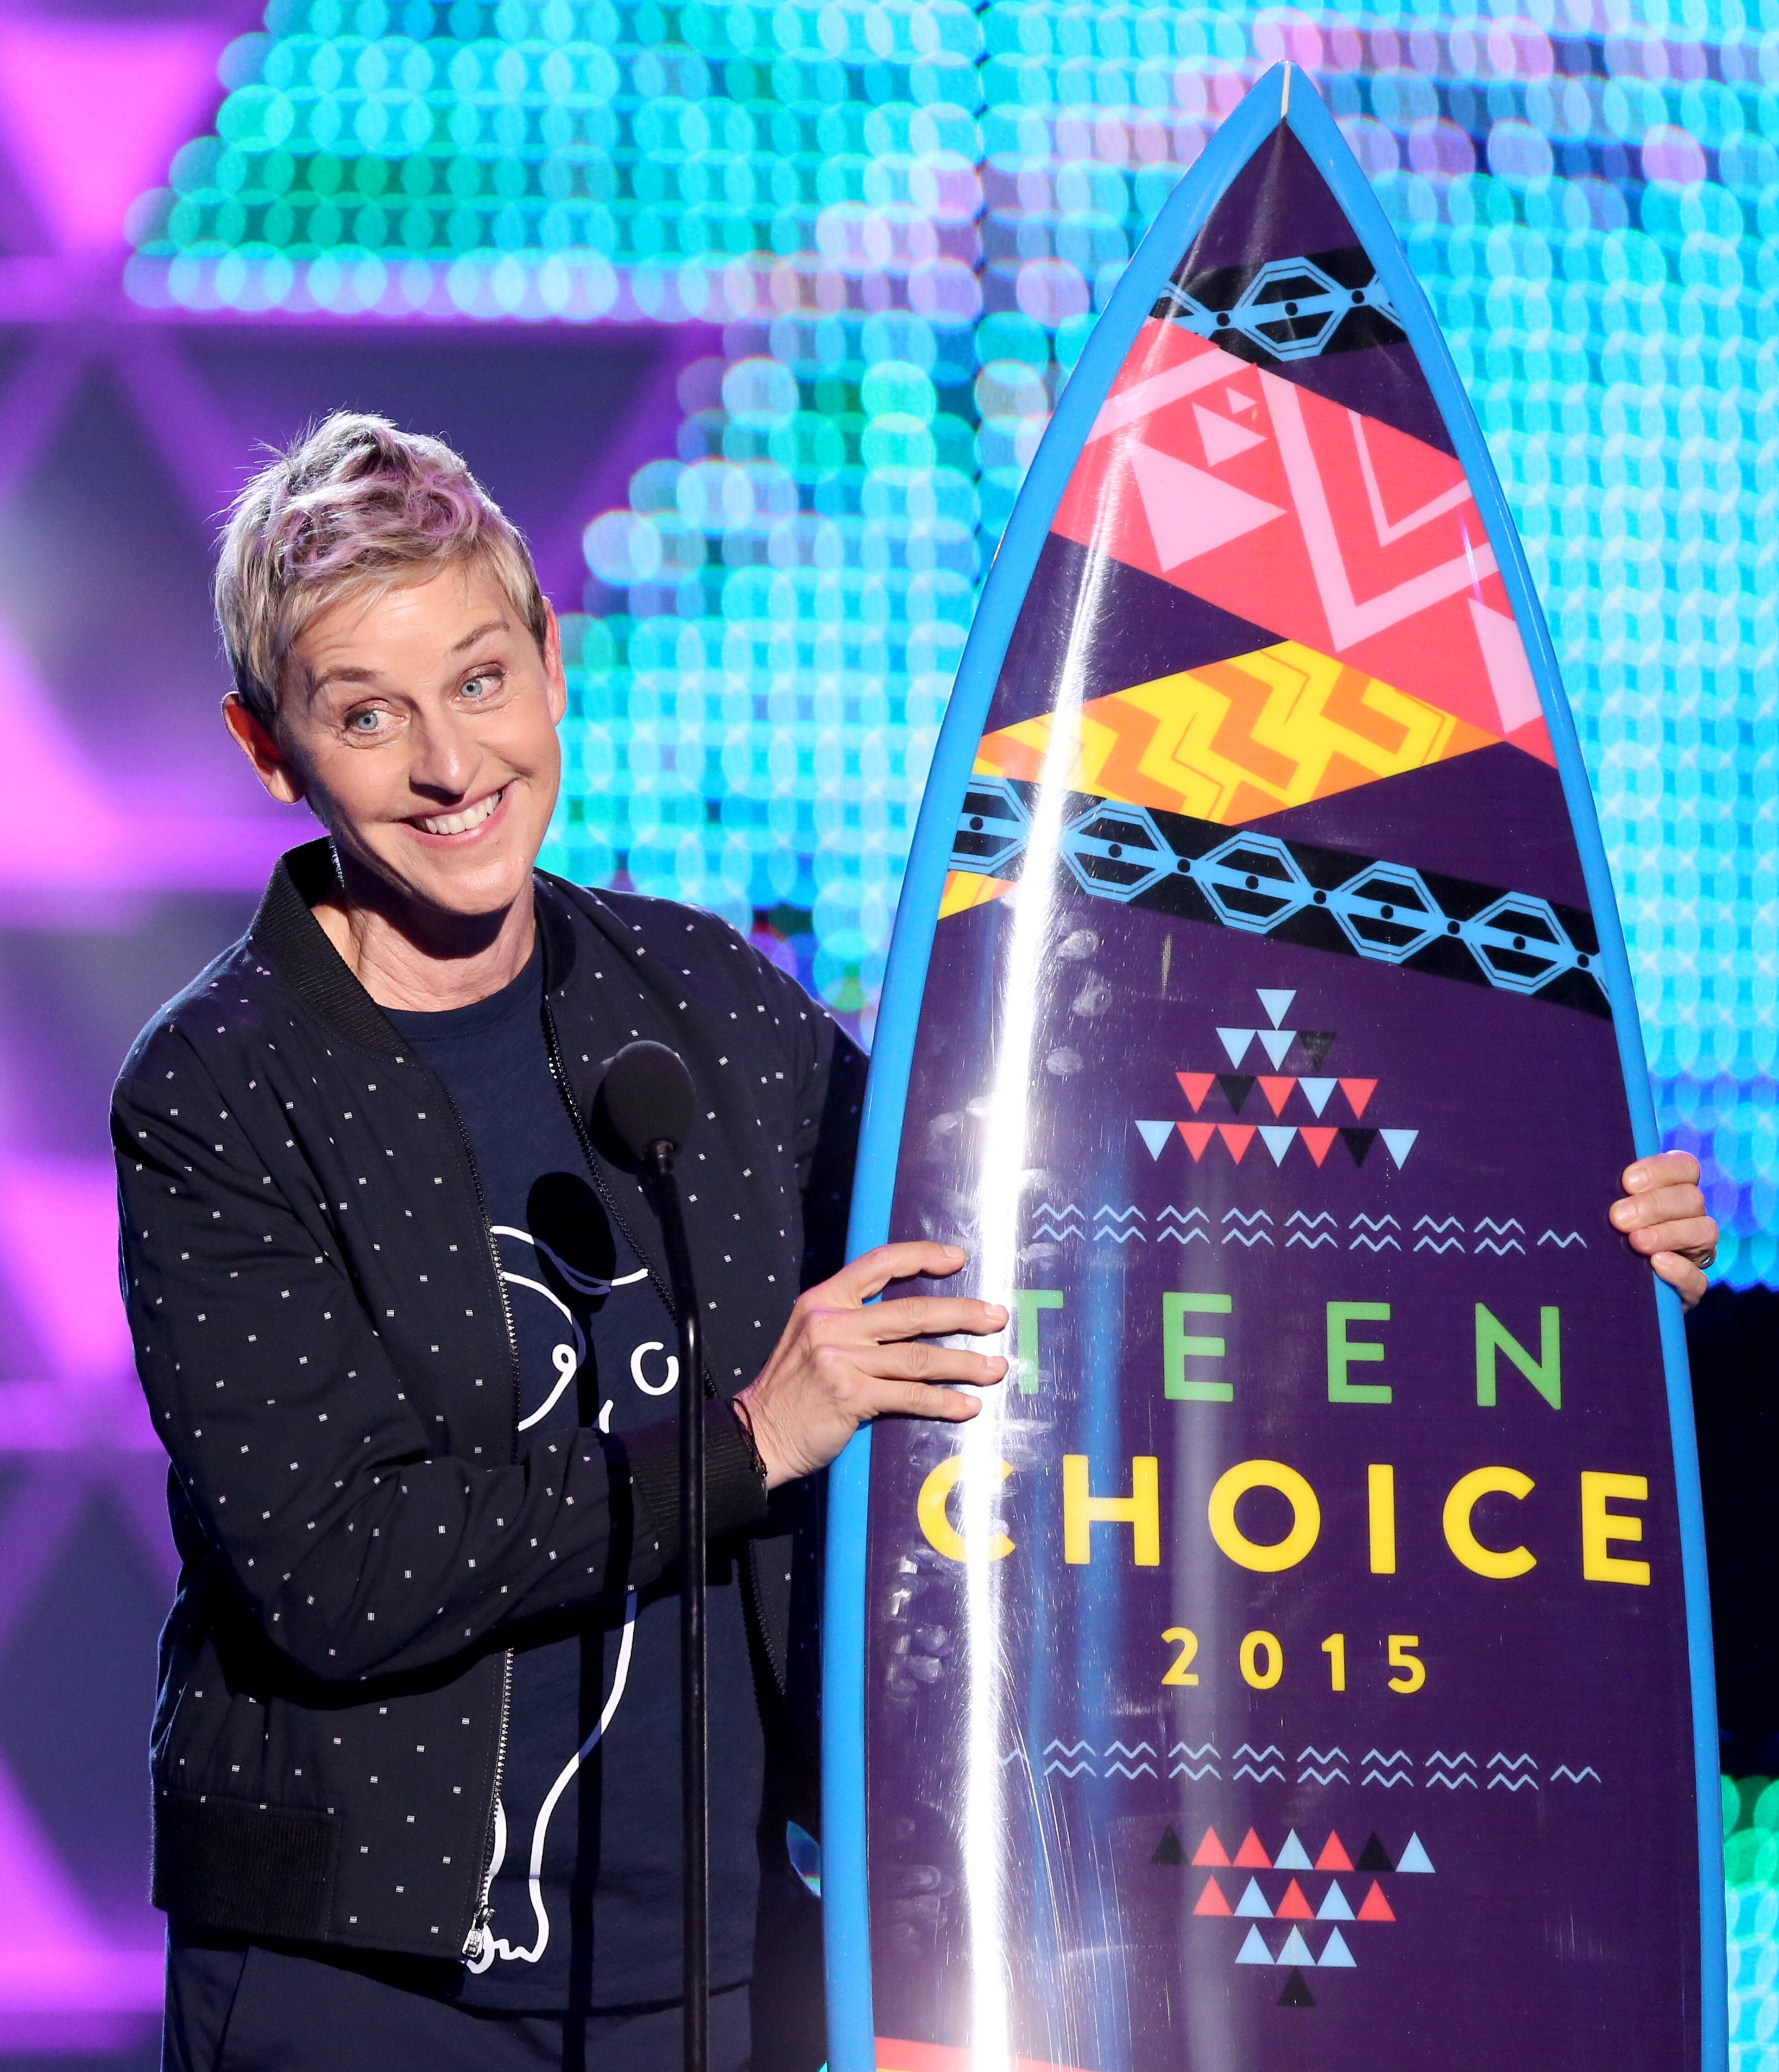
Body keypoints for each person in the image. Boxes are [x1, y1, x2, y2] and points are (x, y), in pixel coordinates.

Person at [113, 413, 1719, 2072]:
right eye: (367, 716)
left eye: (480, 680)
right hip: (375, 1985)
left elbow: (1076, 1271)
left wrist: (1549, 1252)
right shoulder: (218, 1091)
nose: (451, 765)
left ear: (551, 664)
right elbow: (336, 1576)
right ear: (267, 745)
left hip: (740, 1972)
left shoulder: (705, 1009)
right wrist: (753, 1437)